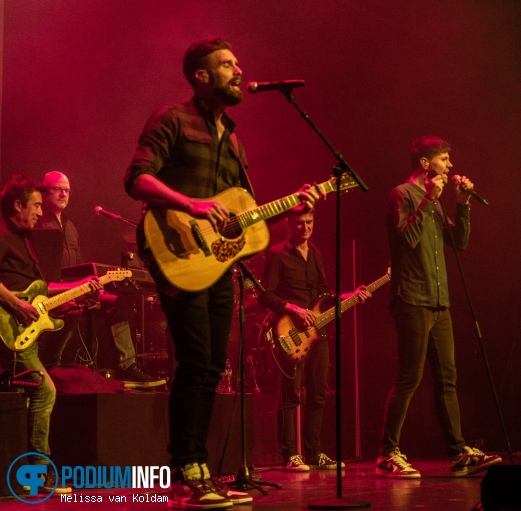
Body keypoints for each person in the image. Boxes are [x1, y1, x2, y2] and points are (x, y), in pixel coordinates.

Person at [124, 37, 317, 509]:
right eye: (227, 64)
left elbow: (242, 217)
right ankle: (185, 468)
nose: (238, 69)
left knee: (213, 365)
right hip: (176, 253)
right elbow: (136, 178)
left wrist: (293, 206)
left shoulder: (232, 138)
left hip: (217, 265)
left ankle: (202, 468)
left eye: (237, 62)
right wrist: (191, 204)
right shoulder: (172, 119)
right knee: (194, 361)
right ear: (201, 76)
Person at [376, 136, 502, 478]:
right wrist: (430, 200)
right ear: (425, 164)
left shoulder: (438, 201)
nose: (450, 166)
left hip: (438, 301)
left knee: (448, 379)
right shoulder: (402, 194)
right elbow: (406, 239)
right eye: (444, 159)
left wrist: (462, 204)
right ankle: (388, 453)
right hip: (412, 298)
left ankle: (458, 453)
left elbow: (458, 242)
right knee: (410, 377)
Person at [0, 174, 103, 494]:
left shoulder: (26, 240)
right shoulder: (2, 235)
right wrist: (15, 303)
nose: (39, 212)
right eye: (34, 206)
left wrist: (83, 289)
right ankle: (39, 476)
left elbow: (43, 290)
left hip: (24, 328)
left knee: (46, 388)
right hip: (6, 326)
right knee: (44, 391)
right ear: (17, 205)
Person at [258, 206, 371, 471]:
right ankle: (289, 455)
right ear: (288, 223)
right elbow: (265, 295)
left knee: (319, 394)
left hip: (318, 334)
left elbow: (323, 296)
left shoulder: (317, 254)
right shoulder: (276, 255)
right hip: (290, 332)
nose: (305, 228)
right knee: (291, 396)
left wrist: (350, 295)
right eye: (299, 223)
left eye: (309, 222)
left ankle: (313, 452)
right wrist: (293, 308)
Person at [37, 171, 165, 388]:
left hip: (76, 289)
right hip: (52, 292)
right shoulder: (37, 223)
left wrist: (93, 286)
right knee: (73, 311)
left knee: (115, 303)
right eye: (58, 189)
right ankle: (50, 368)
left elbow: (78, 264)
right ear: (44, 191)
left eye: (67, 190)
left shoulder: (70, 226)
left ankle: (128, 366)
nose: (63, 194)